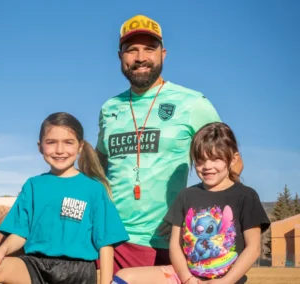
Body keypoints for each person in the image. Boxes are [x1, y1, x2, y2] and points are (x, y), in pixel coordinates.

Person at [96, 14, 243, 272]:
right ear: (120, 56)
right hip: (110, 240)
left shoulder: (193, 103)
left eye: (149, 49)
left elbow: (232, 162)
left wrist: (193, 211)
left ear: (163, 54)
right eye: (132, 50)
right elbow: (98, 166)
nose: (140, 57)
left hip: (167, 242)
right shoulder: (110, 108)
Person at [0, 112, 129, 284]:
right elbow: (20, 233)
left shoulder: (94, 189)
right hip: (35, 266)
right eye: (51, 142)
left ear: (80, 146)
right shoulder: (33, 185)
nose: (59, 150)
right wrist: (2, 250)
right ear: (40, 146)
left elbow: (105, 243)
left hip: (78, 272)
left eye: (68, 142)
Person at [112, 122, 270, 284]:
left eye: (216, 159)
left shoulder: (245, 196)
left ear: (233, 159)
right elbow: (174, 246)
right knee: (124, 277)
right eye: (201, 160)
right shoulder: (186, 196)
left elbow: (253, 249)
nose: (207, 166)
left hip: (226, 281)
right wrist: (188, 279)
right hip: (185, 276)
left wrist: (225, 281)